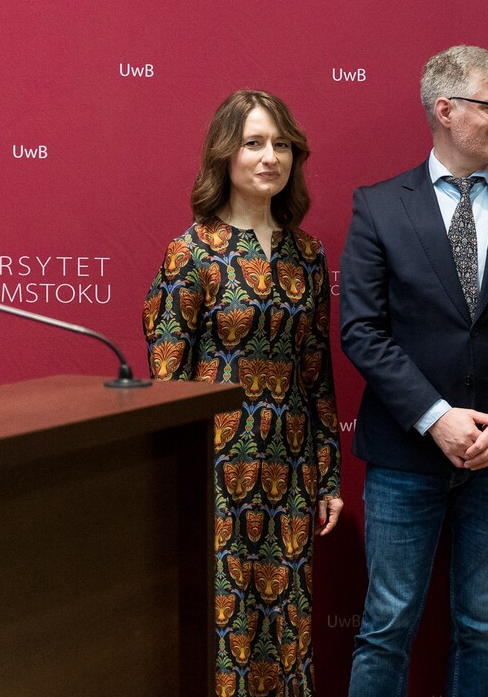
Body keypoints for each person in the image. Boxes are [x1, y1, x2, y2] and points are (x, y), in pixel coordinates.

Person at [340, 45, 488, 697]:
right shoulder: (380, 206)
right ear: (445, 110)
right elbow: (361, 331)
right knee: (387, 626)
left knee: (480, 626)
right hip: (404, 454)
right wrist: (435, 417)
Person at [144, 90, 342, 697]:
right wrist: (175, 477)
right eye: (254, 143)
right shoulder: (191, 252)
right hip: (214, 470)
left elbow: (317, 373)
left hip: (291, 470)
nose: (270, 157)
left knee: (287, 621)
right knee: (220, 620)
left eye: (281, 145)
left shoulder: (308, 254)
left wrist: (328, 475)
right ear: (224, 155)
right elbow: (166, 382)